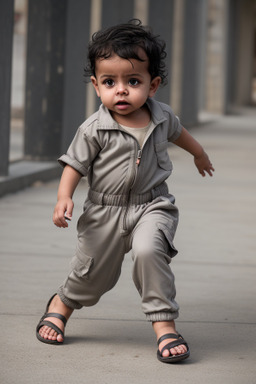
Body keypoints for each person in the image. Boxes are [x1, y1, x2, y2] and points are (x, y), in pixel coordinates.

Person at [36, 19, 214, 363]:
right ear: (96, 85)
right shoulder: (94, 128)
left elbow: (181, 134)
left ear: (153, 85)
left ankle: (165, 326)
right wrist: (64, 196)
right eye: (109, 82)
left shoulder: (162, 117)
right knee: (93, 276)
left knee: (150, 252)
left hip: (153, 204)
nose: (121, 90)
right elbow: (74, 164)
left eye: (133, 81)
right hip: (104, 210)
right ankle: (62, 303)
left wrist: (200, 154)